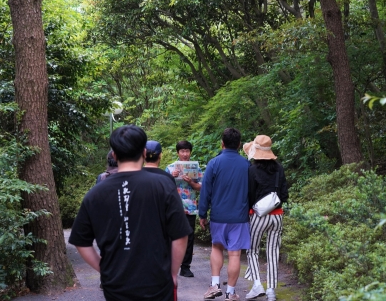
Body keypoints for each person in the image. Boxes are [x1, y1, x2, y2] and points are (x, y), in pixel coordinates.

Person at [69, 125, 192, 301]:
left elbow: (81, 241)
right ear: (143, 152)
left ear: (114, 155)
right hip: (157, 282)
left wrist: (103, 269)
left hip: (116, 285)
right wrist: (172, 273)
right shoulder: (162, 185)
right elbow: (180, 235)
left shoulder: (96, 193)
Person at [199, 128, 250, 301]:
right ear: (239, 145)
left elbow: (206, 190)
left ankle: (214, 285)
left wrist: (202, 213)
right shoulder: (247, 165)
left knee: (216, 247)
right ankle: (231, 292)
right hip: (240, 216)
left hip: (218, 215)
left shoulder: (214, 163)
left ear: (222, 143)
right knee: (235, 254)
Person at [243, 135, 289, 301]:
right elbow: (284, 194)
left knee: (252, 250)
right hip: (277, 216)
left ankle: (257, 285)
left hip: (257, 217)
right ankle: (271, 291)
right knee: (273, 252)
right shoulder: (279, 168)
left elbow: (249, 195)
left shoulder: (252, 170)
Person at [166, 140, 203, 278]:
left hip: (190, 207)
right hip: (173, 207)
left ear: (190, 152)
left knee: (189, 237)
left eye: (187, 151)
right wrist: (171, 177)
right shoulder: (170, 168)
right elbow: (163, 187)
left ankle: (185, 267)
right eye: (182, 151)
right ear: (178, 152)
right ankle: (170, 264)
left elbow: (201, 187)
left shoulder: (196, 168)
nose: (185, 154)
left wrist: (191, 182)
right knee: (171, 236)